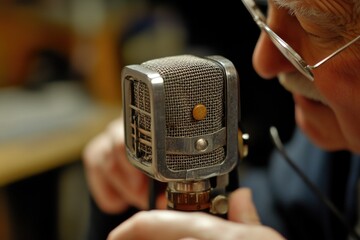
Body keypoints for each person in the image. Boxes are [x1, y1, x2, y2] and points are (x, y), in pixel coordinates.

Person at [82, 0, 360, 239]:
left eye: (316, 27)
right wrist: (124, 197)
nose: (263, 62)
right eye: (264, 8)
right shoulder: (326, 156)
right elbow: (280, 216)